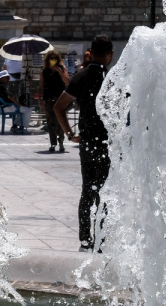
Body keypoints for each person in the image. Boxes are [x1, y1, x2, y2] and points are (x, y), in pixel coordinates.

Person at [53, 35, 114, 252]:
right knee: (105, 193)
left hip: (87, 143)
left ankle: (84, 239)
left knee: (87, 190)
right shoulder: (113, 78)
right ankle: (101, 239)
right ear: (110, 54)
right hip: (107, 143)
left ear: (91, 51)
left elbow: (59, 107)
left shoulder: (79, 76)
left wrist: (69, 133)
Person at [40, 50, 70, 153]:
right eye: (51, 59)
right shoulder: (44, 72)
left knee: (60, 121)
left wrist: (59, 71)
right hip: (48, 98)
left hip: (59, 98)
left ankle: (61, 142)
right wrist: (40, 101)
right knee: (50, 122)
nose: (53, 61)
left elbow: (67, 81)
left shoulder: (62, 68)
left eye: (55, 59)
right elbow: (40, 87)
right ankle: (53, 143)